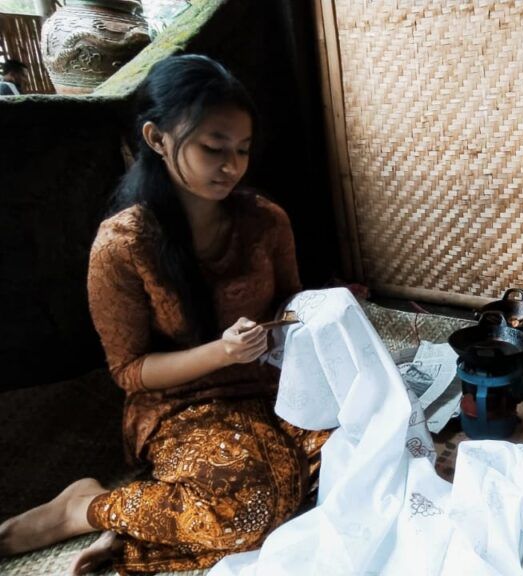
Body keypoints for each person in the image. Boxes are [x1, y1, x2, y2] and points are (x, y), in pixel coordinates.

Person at [0, 54, 329, 574]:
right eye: (213, 148)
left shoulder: (266, 221)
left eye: (242, 149)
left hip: (272, 386)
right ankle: (84, 508)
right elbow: (131, 370)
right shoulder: (124, 245)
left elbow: (291, 303)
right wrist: (221, 352)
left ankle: (144, 524)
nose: (232, 166)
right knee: (253, 506)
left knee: (364, 455)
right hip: (181, 406)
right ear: (156, 139)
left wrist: (321, 314)